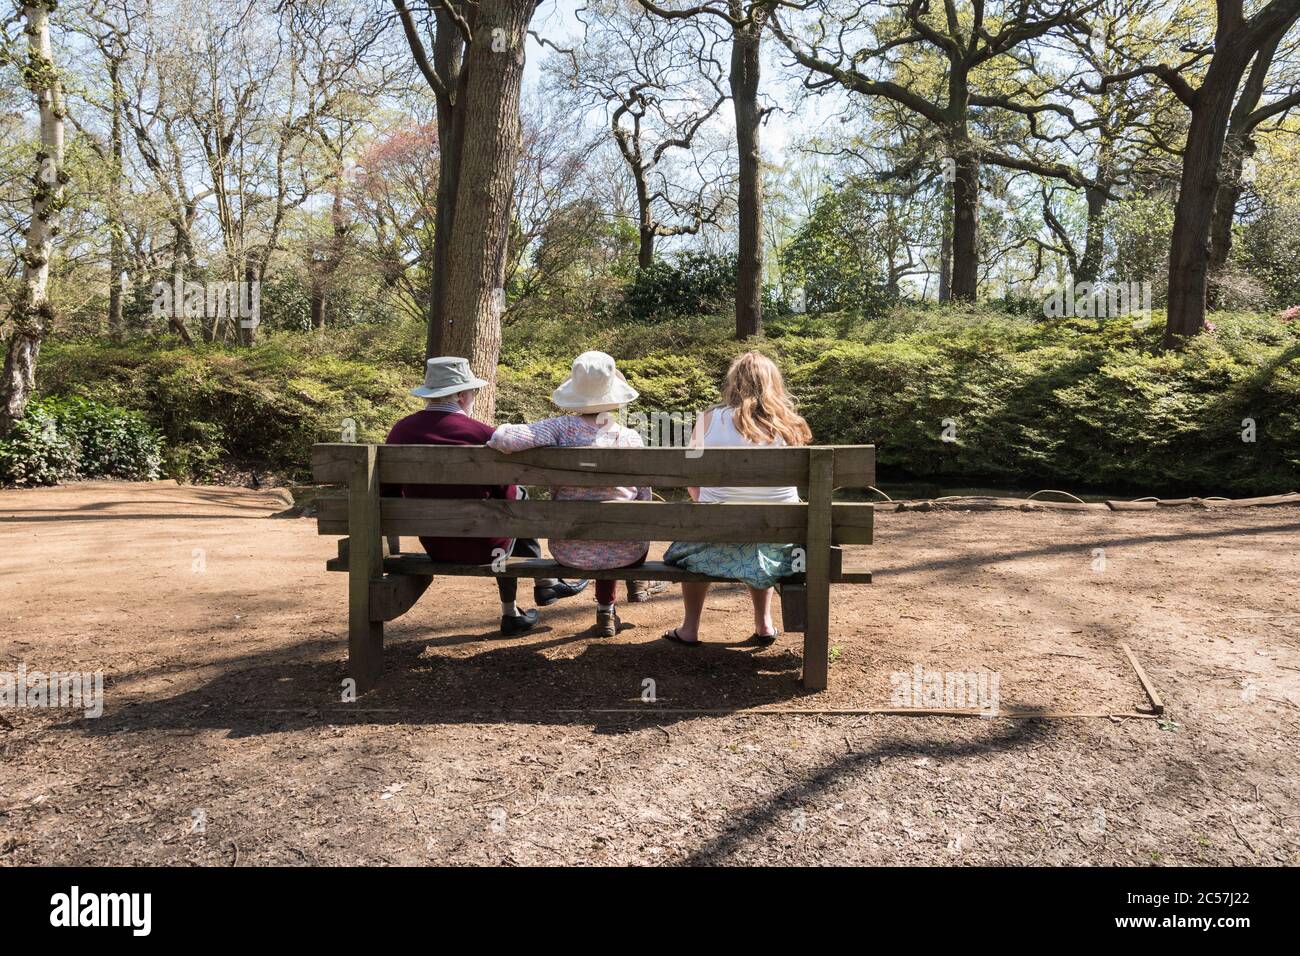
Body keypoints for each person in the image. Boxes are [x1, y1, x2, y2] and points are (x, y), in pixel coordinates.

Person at [385, 356, 588, 637]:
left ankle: (533, 596)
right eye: (472, 391)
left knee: (513, 505)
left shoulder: (400, 431)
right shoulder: (482, 434)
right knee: (518, 499)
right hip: (486, 547)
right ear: (459, 395)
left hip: (436, 545)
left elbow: (388, 494)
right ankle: (534, 593)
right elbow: (506, 494)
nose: (474, 397)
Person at [487, 351, 663, 637]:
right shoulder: (630, 438)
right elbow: (644, 497)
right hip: (629, 552)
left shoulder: (558, 428)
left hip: (569, 550)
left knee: (601, 537)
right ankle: (606, 612)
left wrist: (504, 427)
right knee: (614, 535)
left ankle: (609, 608)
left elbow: (502, 440)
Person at [660, 351, 813, 647]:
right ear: (774, 384)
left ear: (733, 383)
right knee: (762, 533)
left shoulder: (707, 420)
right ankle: (764, 624)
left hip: (713, 542)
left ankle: (690, 628)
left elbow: (692, 482)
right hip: (780, 547)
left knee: (699, 532)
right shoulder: (792, 425)